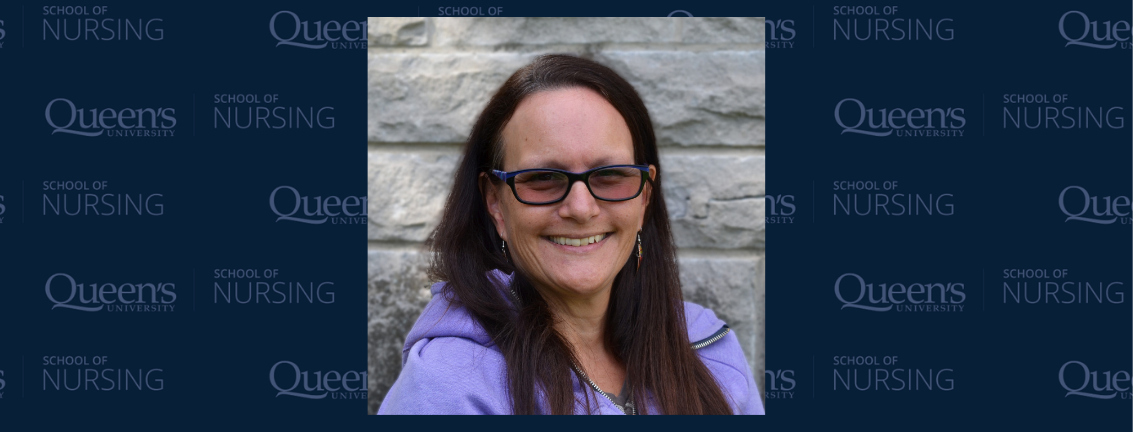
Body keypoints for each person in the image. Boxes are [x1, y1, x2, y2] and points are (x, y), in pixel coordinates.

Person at [378, 54, 763, 415]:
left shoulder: (707, 346)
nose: (581, 209)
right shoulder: (447, 386)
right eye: (542, 178)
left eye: (610, 175)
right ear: (495, 202)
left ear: (645, 196)